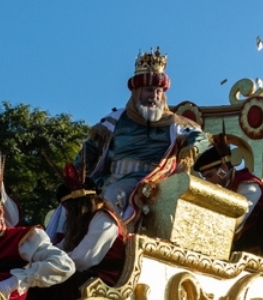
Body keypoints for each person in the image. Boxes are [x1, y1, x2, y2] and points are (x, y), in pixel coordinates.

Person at [75, 48, 212, 216]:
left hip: (153, 183)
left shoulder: (174, 123)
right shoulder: (115, 119)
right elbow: (90, 149)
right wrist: (76, 174)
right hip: (112, 180)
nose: (154, 96)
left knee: (111, 199)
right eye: (149, 90)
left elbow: (200, 136)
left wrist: (193, 147)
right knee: (70, 208)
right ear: (136, 92)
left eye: (159, 91)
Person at [30, 178, 127, 300]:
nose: (67, 214)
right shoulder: (82, 224)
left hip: (101, 285)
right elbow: (59, 248)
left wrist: (48, 265)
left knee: (51, 279)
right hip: (84, 278)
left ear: (81, 205)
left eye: (69, 208)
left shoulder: (104, 221)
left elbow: (82, 259)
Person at [194, 134, 263, 259]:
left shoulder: (247, 184)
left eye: (210, 176)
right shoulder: (224, 189)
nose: (208, 182)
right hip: (248, 236)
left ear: (223, 169)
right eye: (205, 178)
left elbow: (240, 216)